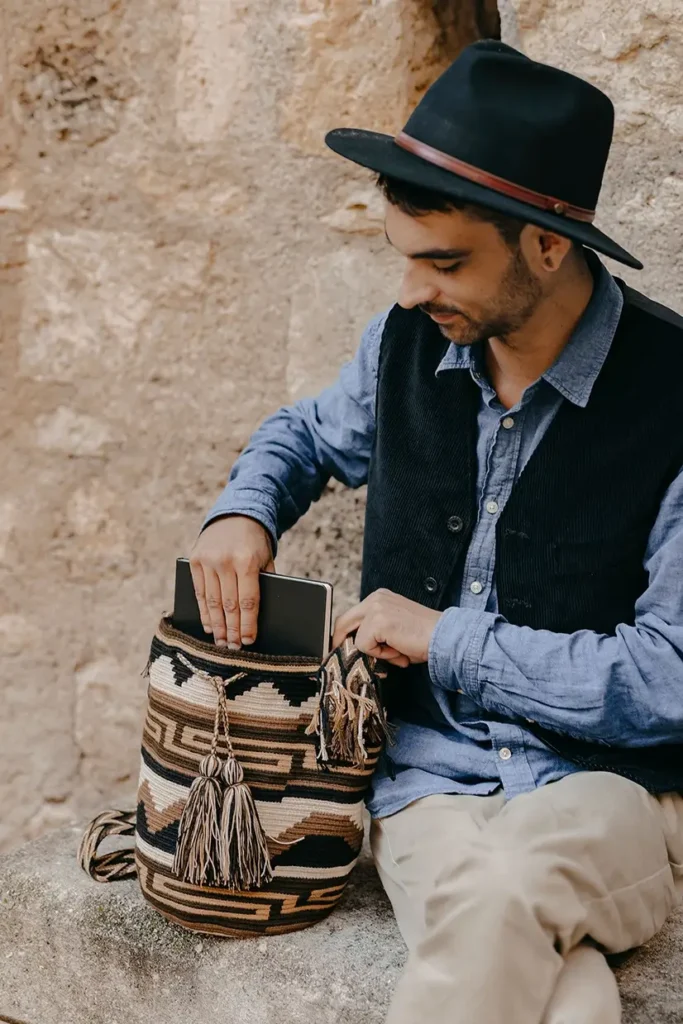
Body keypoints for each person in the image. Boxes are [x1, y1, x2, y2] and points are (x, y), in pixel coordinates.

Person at [188, 39, 683, 1024]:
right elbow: (300, 437)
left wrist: (440, 637)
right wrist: (243, 510)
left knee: (504, 886)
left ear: (546, 244)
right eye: (402, 259)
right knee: (571, 1004)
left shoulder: (672, 396)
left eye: (443, 262)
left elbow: (667, 680)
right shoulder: (401, 345)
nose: (411, 292)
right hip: (429, 792)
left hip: (610, 797)